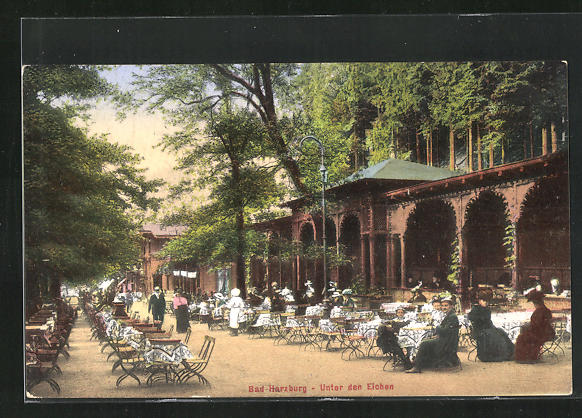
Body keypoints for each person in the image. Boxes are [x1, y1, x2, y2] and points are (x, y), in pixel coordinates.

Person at [406, 296, 461, 373]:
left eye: (446, 305)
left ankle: (417, 366)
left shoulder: (452, 316)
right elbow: (446, 331)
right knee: (426, 339)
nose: (444, 307)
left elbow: (444, 330)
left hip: (447, 343)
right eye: (443, 306)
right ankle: (419, 362)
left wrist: (437, 327)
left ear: (451, 306)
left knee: (424, 343)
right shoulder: (449, 315)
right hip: (446, 339)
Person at [467, 289, 514, 362]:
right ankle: (501, 354)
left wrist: (493, 328)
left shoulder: (487, 309)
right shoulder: (476, 309)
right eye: (484, 300)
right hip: (480, 331)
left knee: (501, 332)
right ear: (479, 301)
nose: (486, 303)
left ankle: (511, 353)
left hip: (487, 329)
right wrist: (480, 319)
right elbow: (472, 318)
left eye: (487, 301)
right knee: (494, 335)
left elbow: (488, 322)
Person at [514, 289, 555, 363]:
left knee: (521, 337)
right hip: (548, 333)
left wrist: (526, 326)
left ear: (535, 302)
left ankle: (526, 358)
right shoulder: (546, 310)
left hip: (540, 334)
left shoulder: (539, 311)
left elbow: (536, 326)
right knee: (524, 334)